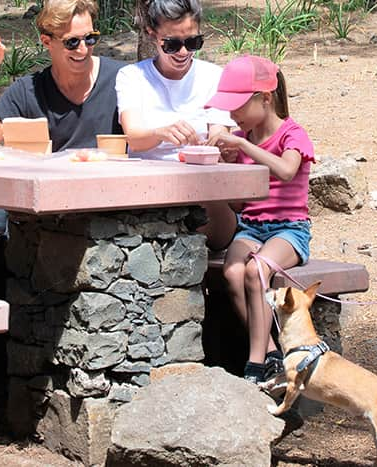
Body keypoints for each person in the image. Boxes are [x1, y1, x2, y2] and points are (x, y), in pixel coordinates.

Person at [0, 0, 127, 240]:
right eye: (72, 42)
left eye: (90, 38)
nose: (83, 49)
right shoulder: (29, 91)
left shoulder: (123, 80)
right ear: (46, 41)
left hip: (114, 215)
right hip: (48, 221)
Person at [205, 55, 316, 384]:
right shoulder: (244, 140)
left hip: (289, 229)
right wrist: (223, 165)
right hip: (252, 226)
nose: (232, 114)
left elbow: (285, 170)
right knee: (233, 270)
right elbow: (240, 203)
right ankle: (269, 353)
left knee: (257, 271)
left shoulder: (292, 135)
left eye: (237, 106)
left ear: (265, 98)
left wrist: (241, 144)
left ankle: (254, 363)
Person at [116, 0, 236, 249]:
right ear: (152, 35)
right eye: (172, 44)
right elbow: (134, 137)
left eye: (193, 43)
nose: (183, 52)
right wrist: (161, 133)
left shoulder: (213, 76)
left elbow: (219, 133)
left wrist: (214, 145)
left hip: (202, 192)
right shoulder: (133, 77)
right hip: (148, 190)